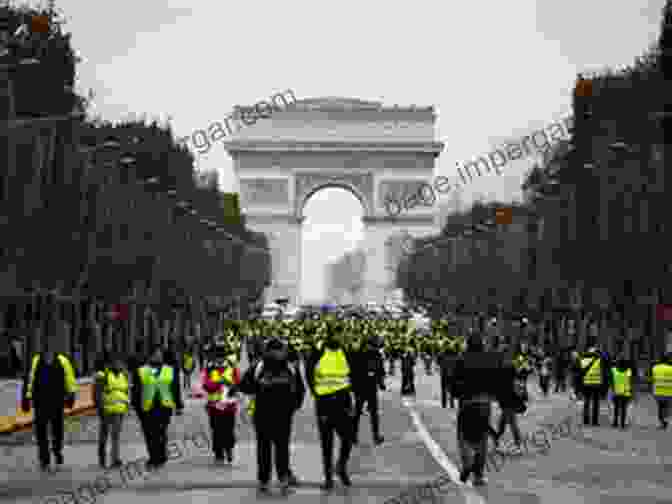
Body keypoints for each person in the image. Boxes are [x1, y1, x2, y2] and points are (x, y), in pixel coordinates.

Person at [239, 337, 305, 495]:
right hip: (274, 415)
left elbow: (244, 386)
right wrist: (292, 407)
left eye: (278, 350)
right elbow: (300, 391)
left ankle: (269, 481)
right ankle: (276, 480)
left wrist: (292, 406)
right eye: (276, 350)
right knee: (275, 448)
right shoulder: (276, 367)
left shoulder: (262, 366)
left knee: (270, 448)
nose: (277, 354)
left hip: (269, 415)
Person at [306, 324, 355, 491]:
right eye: (338, 334)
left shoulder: (346, 351)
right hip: (324, 402)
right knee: (327, 443)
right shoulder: (318, 351)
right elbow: (309, 372)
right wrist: (315, 393)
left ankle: (341, 466)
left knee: (348, 438)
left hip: (343, 401)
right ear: (330, 335)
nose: (341, 338)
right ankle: (328, 478)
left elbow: (353, 373)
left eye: (342, 335)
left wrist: (352, 396)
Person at [452, 333, 502, 486]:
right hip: (484, 403)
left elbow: (454, 382)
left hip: (466, 402)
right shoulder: (488, 359)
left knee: (463, 436)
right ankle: (478, 475)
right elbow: (495, 379)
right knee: (482, 440)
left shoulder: (461, 359)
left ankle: (467, 463)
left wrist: (456, 393)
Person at [21, 348, 78, 472]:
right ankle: (44, 458)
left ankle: (57, 452)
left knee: (57, 431)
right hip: (40, 402)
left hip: (57, 402)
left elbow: (70, 378)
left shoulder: (63, 360)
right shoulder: (36, 360)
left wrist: (71, 395)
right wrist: (27, 398)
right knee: (41, 432)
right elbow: (30, 380)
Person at [132, 346, 179, 470]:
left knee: (161, 432)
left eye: (160, 354)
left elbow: (175, 388)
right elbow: (136, 390)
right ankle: (153, 456)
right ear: (149, 356)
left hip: (164, 407)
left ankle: (161, 455)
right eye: (155, 354)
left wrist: (178, 404)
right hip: (147, 407)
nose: (158, 357)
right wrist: (136, 406)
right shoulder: (141, 371)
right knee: (149, 433)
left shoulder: (169, 370)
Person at [201, 346, 241, 463]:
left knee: (228, 429)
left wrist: (230, 384)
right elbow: (206, 385)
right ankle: (218, 453)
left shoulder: (232, 368)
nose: (218, 360)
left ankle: (229, 449)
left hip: (229, 405)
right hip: (214, 405)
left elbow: (238, 383)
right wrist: (217, 383)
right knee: (216, 429)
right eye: (216, 357)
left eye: (220, 357)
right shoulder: (209, 369)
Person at [95, 352, 129, 468]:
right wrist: (100, 408)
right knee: (104, 434)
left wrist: (126, 404)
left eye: (120, 362)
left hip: (119, 410)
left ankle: (115, 459)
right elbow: (97, 394)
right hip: (106, 410)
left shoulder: (123, 375)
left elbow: (125, 391)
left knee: (115, 435)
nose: (119, 365)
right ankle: (102, 457)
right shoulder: (102, 375)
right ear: (110, 363)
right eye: (117, 362)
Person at [352, 336, 386, 445]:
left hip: (368, 388)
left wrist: (380, 383)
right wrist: (380, 383)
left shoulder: (372, 354)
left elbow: (380, 371)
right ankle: (356, 436)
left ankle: (373, 436)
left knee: (369, 413)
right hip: (363, 387)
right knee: (361, 413)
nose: (371, 347)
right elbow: (353, 372)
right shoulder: (360, 355)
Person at [493, 345, 525, 454]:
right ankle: (498, 442)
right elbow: (517, 378)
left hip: (506, 397)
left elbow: (499, 382)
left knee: (510, 421)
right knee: (505, 421)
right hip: (509, 397)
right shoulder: (510, 365)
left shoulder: (503, 365)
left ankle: (518, 444)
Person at [579, 344, 610, 426]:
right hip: (596, 383)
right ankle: (595, 421)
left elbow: (579, 372)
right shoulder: (599, 359)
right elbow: (606, 363)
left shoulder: (583, 359)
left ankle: (586, 420)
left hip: (586, 383)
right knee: (596, 403)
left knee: (586, 402)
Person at [610, 357, 633, 429]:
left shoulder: (613, 370)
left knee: (616, 408)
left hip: (616, 392)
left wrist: (612, 389)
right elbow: (630, 381)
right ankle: (622, 423)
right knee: (623, 408)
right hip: (626, 392)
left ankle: (615, 422)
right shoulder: (629, 371)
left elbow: (611, 381)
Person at [651, 352, 672, 430]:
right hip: (669, 391)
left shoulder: (655, 368)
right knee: (667, 407)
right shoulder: (671, 369)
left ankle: (661, 420)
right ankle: (665, 420)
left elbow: (653, 379)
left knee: (660, 407)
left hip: (658, 391)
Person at [439, 340, 460, 409]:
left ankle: (444, 404)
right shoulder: (455, 354)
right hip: (452, 373)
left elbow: (438, 362)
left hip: (444, 373)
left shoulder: (442, 354)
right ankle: (451, 403)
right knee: (451, 389)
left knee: (444, 389)